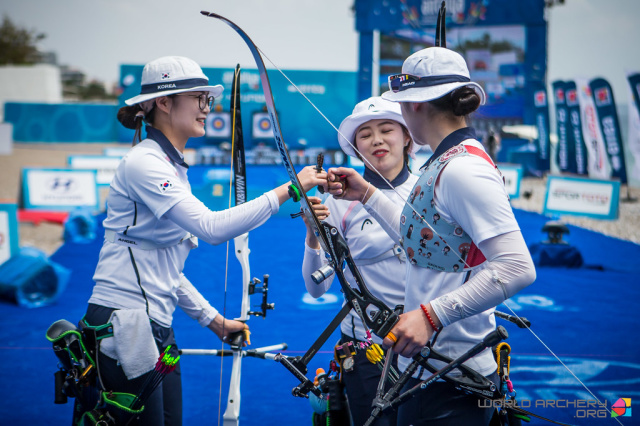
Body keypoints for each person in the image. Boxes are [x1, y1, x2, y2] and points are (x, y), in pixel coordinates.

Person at [79, 56, 325, 425]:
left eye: (207, 101)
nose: (206, 109)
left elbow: (164, 266)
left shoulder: (170, 163)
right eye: (199, 98)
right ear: (164, 103)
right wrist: (291, 189)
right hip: (125, 324)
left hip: (155, 327)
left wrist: (213, 321)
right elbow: (211, 228)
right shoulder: (144, 163)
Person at [326, 47, 536, 425]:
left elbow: (518, 267)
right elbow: (424, 240)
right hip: (431, 369)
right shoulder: (446, 161)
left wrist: (430, 316)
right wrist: (368, 195)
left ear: (414, 107)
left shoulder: (461, 169)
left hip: (452, 373)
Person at [301, 96, 419, 426]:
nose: (377, 140)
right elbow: (315, 288)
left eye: (386, 129)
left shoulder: (430, 188)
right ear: (355, 147)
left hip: (429, 340)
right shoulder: (338, 202)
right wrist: (312, 235)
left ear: (408, 136)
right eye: (365, 134)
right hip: (368, 349)